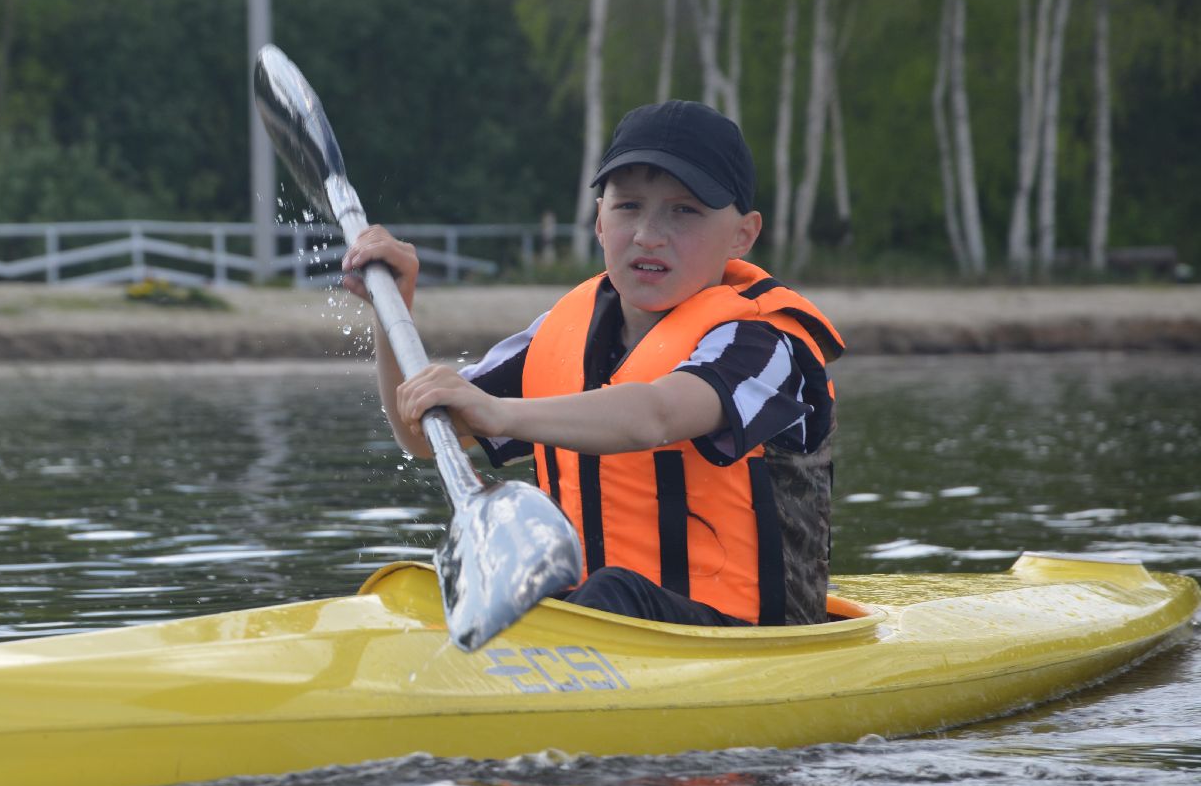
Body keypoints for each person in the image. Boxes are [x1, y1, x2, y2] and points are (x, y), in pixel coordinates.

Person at [341, 100, 844, 627]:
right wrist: (389, 309)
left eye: (685, 210)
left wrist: (499, 413)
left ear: (744, 233)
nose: (649, 233)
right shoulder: (561, 333)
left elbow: (658, 414)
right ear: (600, 221)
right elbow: (422, 435)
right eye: (628, 206)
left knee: (612, 591)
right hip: (595, 623)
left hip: (745, 640)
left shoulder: (764, 344)